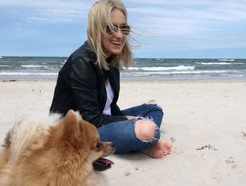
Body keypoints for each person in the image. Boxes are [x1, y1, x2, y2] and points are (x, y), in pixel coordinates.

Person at [49, 0, 172, 158]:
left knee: (154, 110)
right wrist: (128, 120)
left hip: (101, 120)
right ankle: (144, 142)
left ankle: (140, 141)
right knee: (147, 129)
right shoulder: (82, 62)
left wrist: (127, 120)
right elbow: (92, 120)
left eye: (124, 28)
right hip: (79, 131)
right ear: (96, 29)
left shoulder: (111, 60)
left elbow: (110, 106)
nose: (119, 35)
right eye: (111, 28)